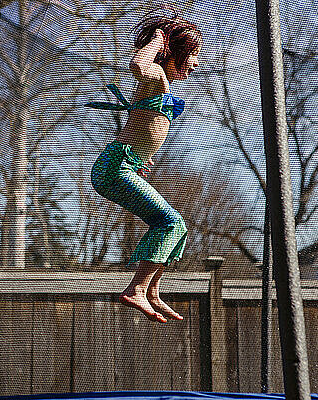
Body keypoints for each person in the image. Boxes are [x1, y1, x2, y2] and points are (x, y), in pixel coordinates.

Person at [85, 9, 202, 323]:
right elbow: (137, 65)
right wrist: (156, 41)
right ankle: (137, 288)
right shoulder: (157, 76)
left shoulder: (162, 85)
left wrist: (139, 155)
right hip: (114, 167)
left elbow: (140, 124)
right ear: (174, 51)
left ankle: (151, 290)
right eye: (193, 54)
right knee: (170, 223)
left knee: (178, 227)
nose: (196, 63)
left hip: (124, 163)